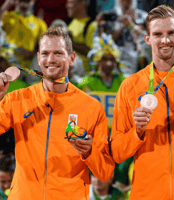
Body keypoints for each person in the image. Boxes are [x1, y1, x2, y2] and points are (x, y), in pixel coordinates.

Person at [0, 27, 115, 200]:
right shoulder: (17, 99)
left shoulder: (92, 107)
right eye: (45, 53)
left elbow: (105, 172)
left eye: (58, 53)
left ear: (72, 58)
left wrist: (90, 152)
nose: (51, 59)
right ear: (38, 58)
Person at [111, 5, 174, 200]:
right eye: (158, 34)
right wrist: (137, 132)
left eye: (171, 33)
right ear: (147, 38)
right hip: (147, 194)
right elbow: (117, 152)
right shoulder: (130, 86)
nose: (165, 40)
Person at [0, 0, 47, 76]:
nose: (24, 2)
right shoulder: (5, 16)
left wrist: (32, 53)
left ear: (33, 1)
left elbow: (46, 47)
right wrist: (6, 5)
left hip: (26, 69)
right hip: (5, 65)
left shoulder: (39, 23)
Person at [66, 0, 97, 73]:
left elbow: (91, 52)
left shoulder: (92, 25)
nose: (67, 5)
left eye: (70, 2)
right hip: (70, 75)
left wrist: (69, 43)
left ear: (82, 3)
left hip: (84, 77)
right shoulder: (70, 23)